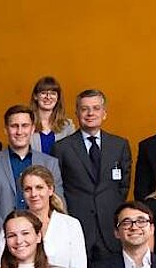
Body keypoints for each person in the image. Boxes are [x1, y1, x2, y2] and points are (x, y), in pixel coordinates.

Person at [52, 89, 132, 258]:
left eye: (96, 108)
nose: (90, 113)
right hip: (77, 227)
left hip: (110, 228)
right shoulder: (62, 147)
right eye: (84, 109)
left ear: (104, 113)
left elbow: (123, 186)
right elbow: (58, 187)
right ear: (77, 113)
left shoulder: (119, 145)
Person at [0, 166, 88, 268]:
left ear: (50, 189)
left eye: (39, 187)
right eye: (28, 189)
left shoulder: (71, 225)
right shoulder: (11, 224)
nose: (34, 194)